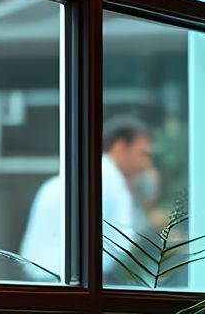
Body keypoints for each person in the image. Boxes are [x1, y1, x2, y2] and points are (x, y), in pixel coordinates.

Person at [19, 113, 156, 281]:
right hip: (72, 283)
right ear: (120, 146)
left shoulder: (80, 174)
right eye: (143, 154)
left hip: (41, 279)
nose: (147, 164)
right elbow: (126, 249)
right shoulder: (110, 182)